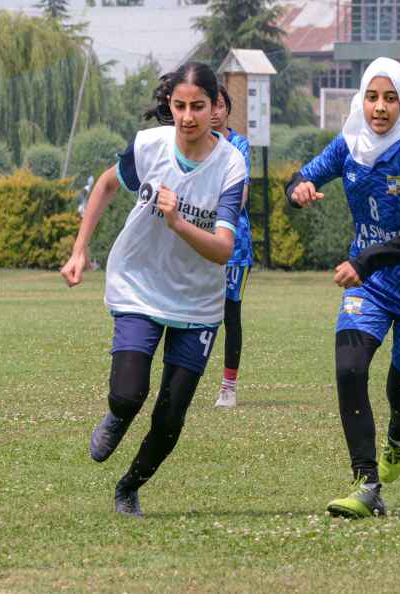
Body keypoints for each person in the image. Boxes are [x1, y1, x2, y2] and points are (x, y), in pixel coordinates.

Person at [60, 62, 247, 516]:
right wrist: (80, 248)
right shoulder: (149, 146)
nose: (187, 117)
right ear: (170, 105)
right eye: (179, 106)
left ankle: (129, 486)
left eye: (197, 107)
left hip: (198, 302)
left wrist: (178, 221)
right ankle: (117, 416)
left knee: (170, 417)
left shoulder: (232, 165)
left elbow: (223, 249)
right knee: (127, 394)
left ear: (215, 108)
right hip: (139, 285)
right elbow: (106, 185)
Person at [286, 57, 400, 519]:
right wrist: (298, 188)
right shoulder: (348, 143)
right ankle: (366, 483)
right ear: (361, 99)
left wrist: (362, 261)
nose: (379, 108)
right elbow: (303, 175)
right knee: (348, 368)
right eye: (372, 96)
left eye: (390, 98)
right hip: (372, 286)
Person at [210, 82, 253, 407]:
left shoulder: (238, 145)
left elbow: (240, 199)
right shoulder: (196, 144)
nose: (212, 112)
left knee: (230, 314)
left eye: (219, 106)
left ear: (227, 109)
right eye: (206, 105)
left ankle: (228, 386)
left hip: (233, 245)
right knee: (193, 312)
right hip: (197, 242)